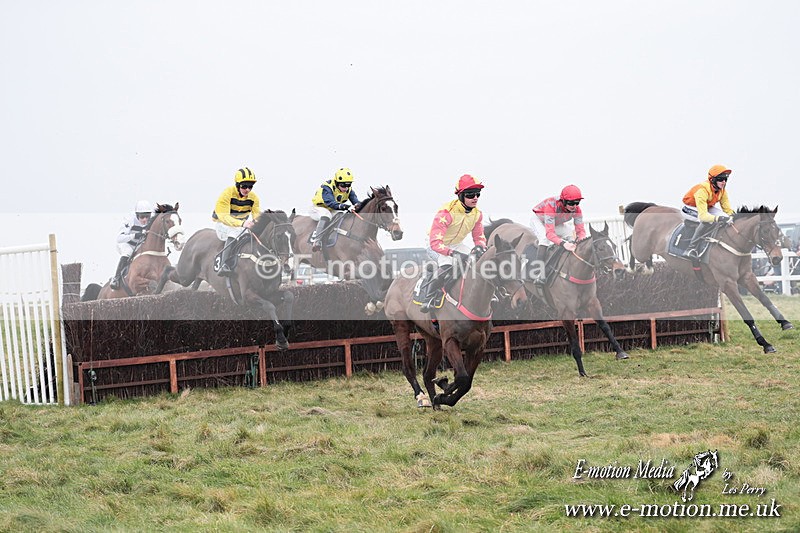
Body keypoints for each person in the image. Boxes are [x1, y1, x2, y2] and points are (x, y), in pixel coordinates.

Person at [419, 174, 487, 313]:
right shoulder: (446, 213)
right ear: (461, 196)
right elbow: (435, 242)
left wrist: (480, 247)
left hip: (456, 243)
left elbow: (479, 236)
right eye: (470, 194)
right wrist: (453, 253)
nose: (475, 198)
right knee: (448, 264)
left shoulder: (477, 214)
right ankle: (429, 297)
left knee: (480, 262)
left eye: (477, 194)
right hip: (436, 244)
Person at [529, 185, 587, 282]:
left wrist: (581, 241)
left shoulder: (577, 210)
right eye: (571, 203)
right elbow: (550, 233)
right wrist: (563, 243)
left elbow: (580, 231)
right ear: (563, 201)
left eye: (577, 202)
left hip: (555, 222)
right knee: (544, 238)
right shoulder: (551, 205)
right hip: (539, 220)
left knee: (569, 234)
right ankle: (538, 271)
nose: (574, 206)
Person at [212, 167, 261, 276]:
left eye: (250, 186)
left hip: (240, 226)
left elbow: (256, 215)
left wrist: (261, 222)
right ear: (237, 184)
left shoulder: (254, 198)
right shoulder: (227, 194)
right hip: (222, 224)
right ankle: (224, 265)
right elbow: (224, 217)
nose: (247, 189)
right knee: (234, 232)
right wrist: (242, 223)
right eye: (244, 186)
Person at [681, 164, 734, 259]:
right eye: (721, 179)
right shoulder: (702, 190)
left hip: (706, 206)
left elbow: (727, 210)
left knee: (727, 217)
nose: (723, 182)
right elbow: (703, 216)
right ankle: (690, 249)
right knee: (708, 220)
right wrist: (718, 218)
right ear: (713, 179)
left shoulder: (722, 191)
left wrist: (733, 217)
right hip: (689, 208)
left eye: (726, 179)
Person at [309, 167, 361, 251]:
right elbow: (331, 203)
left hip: (331, 209)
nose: (346, 188)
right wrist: (346, 206)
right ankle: (317, 240)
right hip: (318, 208)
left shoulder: (349, 190)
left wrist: (359, 206)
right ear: (336, 182)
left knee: (341, 215)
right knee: (326, 215)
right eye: (343, 185)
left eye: (348, 185)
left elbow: (356, 202)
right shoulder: (327, 187)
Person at [110, 200, 153, 290]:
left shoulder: (151, 220)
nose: (145, 220)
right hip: (126, 244)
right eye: (142, 217)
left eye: (147, 216)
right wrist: (134, 235)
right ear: (137, 215)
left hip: (139, 245)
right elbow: (119, 238)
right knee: (128, 252)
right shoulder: (129, 220)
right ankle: (116, 278)